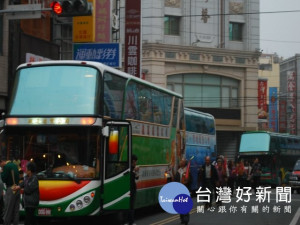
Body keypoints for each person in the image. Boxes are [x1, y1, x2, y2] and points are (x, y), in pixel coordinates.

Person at [0, 158, 20, 225]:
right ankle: (15, 223)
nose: (1, 166)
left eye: (0, 164)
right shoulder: (14, 165)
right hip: (17, 188)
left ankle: (6, 223)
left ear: (2, 161)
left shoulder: (6, 167)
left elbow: (3, 179)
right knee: (16, 210)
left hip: (11, 189)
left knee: (8, 209)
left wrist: (1, 172)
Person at [175, 159, 190, 224]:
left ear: (184, 163)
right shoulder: (178, 171)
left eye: (182, 162)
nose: (180, 163)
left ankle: (186, 219)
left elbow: (190, 180)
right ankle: (182, 218)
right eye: (180, 162)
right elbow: (176, 179)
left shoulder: (187, 171)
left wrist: (187, 181)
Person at [126, 154, 139, 225]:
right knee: (131, 206)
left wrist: (136, 172)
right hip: (131, 189)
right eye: (135, 161)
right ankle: (131, 222)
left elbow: (137, 177)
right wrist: (134, 171)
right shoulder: (130, 168)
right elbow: (131, 177)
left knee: (130, 206)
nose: (136, 163)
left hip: (132, 188)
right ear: (133, 161)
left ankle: (129, 221)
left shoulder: (133, 168)